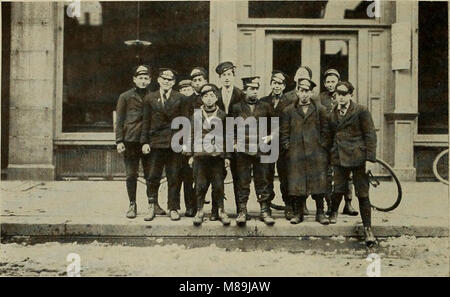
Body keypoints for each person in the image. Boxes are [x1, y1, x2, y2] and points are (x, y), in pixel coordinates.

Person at [328, 81, 377, 246]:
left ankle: (368, 229)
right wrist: (331, 154)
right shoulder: (332, 113)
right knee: (338, 189)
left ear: (350, 95)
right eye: (338, 94)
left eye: (344, 94)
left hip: (359, 158)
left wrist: (370, 160)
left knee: (362, 194)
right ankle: (333, 211)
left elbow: (370, 135)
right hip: (339, 157)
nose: (340, 98)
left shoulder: (361, 110)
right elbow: (329, 135)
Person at [115, 65, 166, 219]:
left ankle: (153, 203)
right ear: (134, 79)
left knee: (151, 175)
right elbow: (119, 120)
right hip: (130, 141)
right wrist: (119, 141)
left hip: (149, 142)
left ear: (150, 80)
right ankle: (132, 204)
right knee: (131, 174)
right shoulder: (125, 97)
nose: (143, 81)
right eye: (140, 78)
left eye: (146, 78)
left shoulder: (154, 96)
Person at [280, 77, 331, 225]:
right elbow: (284, 132)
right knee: (297, 183)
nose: (304, 94)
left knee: (319, 183)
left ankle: (320, 213)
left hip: (316, 153)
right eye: (301, 90)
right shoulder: (288, 111)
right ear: (297, 91)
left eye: (307, 91)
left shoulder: (320, 109)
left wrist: (322, 147)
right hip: (296, 153)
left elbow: (326, 130)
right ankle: (298, 213)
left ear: (311, 92)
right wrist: (288, 147)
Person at [183, 83, 231, 226]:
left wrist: (227, 156)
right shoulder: (196, 115)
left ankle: (220, 210)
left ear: (216, 98)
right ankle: (200, 210)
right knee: (200, 184)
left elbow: (227, 136)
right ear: (202, 99)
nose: (209, 99)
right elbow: (191, 135)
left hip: (217, 157)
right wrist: (191, 155)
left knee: (218, 184)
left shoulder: (223, 115)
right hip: (200, 156)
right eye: (205, 96)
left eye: (212, 96)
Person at [141, 68, 185, 221]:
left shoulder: (180, 98)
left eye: (170, 79)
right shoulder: (149, 98)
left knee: (174, 176)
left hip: (174, 142)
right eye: (164, 78)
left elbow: (185, 122)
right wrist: (145, 142)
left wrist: (183, 143)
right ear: (158, 80)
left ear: (174, 82)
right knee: (153, 176)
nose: (166, 81)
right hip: (155, 143)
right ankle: (151, 206)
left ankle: (173, 208)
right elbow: (145, 122)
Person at [230, 76, 275, 226]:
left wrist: (270, 137)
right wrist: (234, 143)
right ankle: (242, 211)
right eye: (251, 89)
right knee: (243, 181)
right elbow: (231, 128)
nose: (255, 92)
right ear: (244, 90)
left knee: (262, 180)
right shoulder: (236, 107)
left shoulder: (266, 106)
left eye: (256, 88)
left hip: (261, 149)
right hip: (242, 151)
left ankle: (264, 210)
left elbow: (274, 126)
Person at [320, 69, 358, 216]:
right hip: (329, 141)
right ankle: (330, 204)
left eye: (333, 82)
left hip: (345, 143)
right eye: (328, 82)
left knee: (347, 174)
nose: (330, 84)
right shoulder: (319, 98)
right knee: (328, 174)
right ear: (324, 83)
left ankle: (348, 203)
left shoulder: (344, 97)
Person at [260, 70, 294, 220]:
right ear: (271, 84)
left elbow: (289, 124)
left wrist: (275, 135)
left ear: (284, 86)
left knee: (285, 175)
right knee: (266, 175)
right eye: (274, 83)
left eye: (280, 83)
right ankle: (266, 205)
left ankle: (289, 206)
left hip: (282, 144)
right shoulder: (263, 101)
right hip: (266, 144)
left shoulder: (290, 103)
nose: (277, 86)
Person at [215, 61, 246, 214]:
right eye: (223, 75)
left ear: (234, 77)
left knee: (238, 175)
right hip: (219, 140)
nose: (226, 78)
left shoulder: (241, 94)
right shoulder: (215, 95)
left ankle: (240, 208)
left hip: (236, 140)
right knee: (218, 174)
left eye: (229, 75)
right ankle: (219, 208)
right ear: (219, 78)